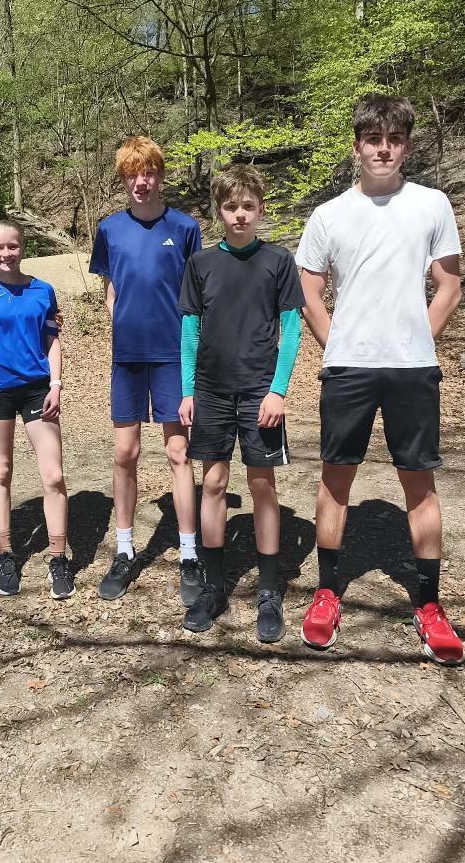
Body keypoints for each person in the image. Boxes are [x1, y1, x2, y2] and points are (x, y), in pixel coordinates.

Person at [295, 94, 465, 664]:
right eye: (373, 139)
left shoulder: (432, 204)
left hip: (413, 369)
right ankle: (326, 593)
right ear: (357, 147)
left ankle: (430, 604)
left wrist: (420, 338)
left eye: (394, 139)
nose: (383, 149)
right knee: (335, 477)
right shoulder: (329, 215)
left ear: (406, 147)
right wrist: (337, 343)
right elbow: (309, 290)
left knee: (419, 482)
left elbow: (448, 286)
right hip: (349, 368)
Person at [178, 165, 305, 642]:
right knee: (213, 483)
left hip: (259, 392)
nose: (239, 215)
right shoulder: (201, 264)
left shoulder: (278, 261)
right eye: (231, 206)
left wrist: (277, 390)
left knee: (261, 484)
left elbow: (290, 328)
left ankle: (269, 592)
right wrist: (188, 390)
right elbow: (189, 331)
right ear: (219, 211)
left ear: (260, 209)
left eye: (248, 206)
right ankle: (213, 587)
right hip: (211, 391)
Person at [89, 136, 202, 604]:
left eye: (149, 172)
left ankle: (190, 554)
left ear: (160, 175)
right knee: (125, 453)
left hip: (173, 355)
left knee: (178, 453)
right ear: (123, 179)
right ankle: (124, 549)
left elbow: (196, 294)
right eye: (133, 174)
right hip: (128, 356)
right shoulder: (109, 229)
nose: (142, 181)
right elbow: (110, 286)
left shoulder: (185, 227)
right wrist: (118, 321)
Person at [0, 220, 74, 600]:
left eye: (12, 246)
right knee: (1, 471)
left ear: (22, 247)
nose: (6, 253)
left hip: (37, 390)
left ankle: (58, 557)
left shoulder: (43, 290)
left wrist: (56, 384)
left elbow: (52, 341)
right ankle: (4, 555)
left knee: (54, 474)